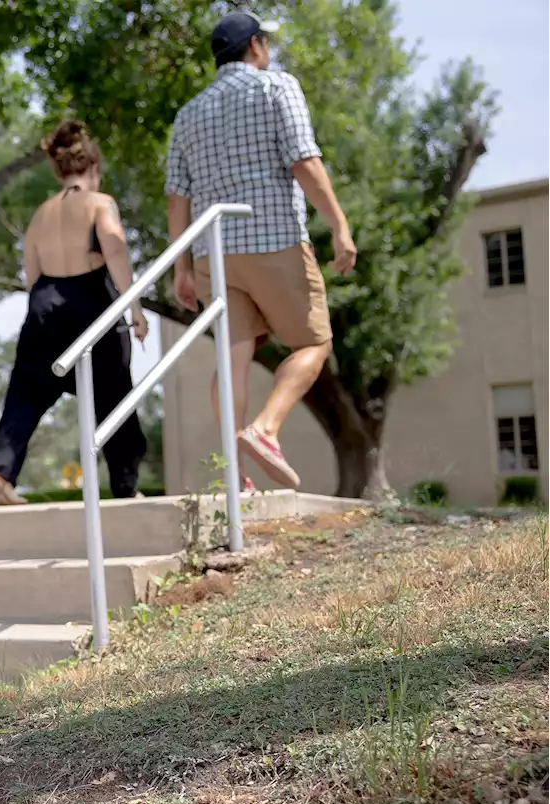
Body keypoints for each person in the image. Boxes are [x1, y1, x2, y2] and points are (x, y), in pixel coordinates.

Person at [165, 11, 356, 490]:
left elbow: (177, 198)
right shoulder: (276, 87)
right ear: (255, 46)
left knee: (233, 357)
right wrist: (339, 224)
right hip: (272, 239)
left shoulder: (187, 114)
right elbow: (303, 160)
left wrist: (181, 269)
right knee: (314, 343)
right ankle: (265, 429)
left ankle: (235, 473)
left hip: (212, 252)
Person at [0, 120, 149, 506]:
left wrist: (48, 307)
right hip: (91, 300)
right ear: (93, 167)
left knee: (26, 392)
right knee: (113, 394)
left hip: (45, 302)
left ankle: (1, 471)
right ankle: (125, 486)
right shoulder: (100, 203)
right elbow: (114, 250)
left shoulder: (40, 215)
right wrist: (135, 307)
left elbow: (32, 273)